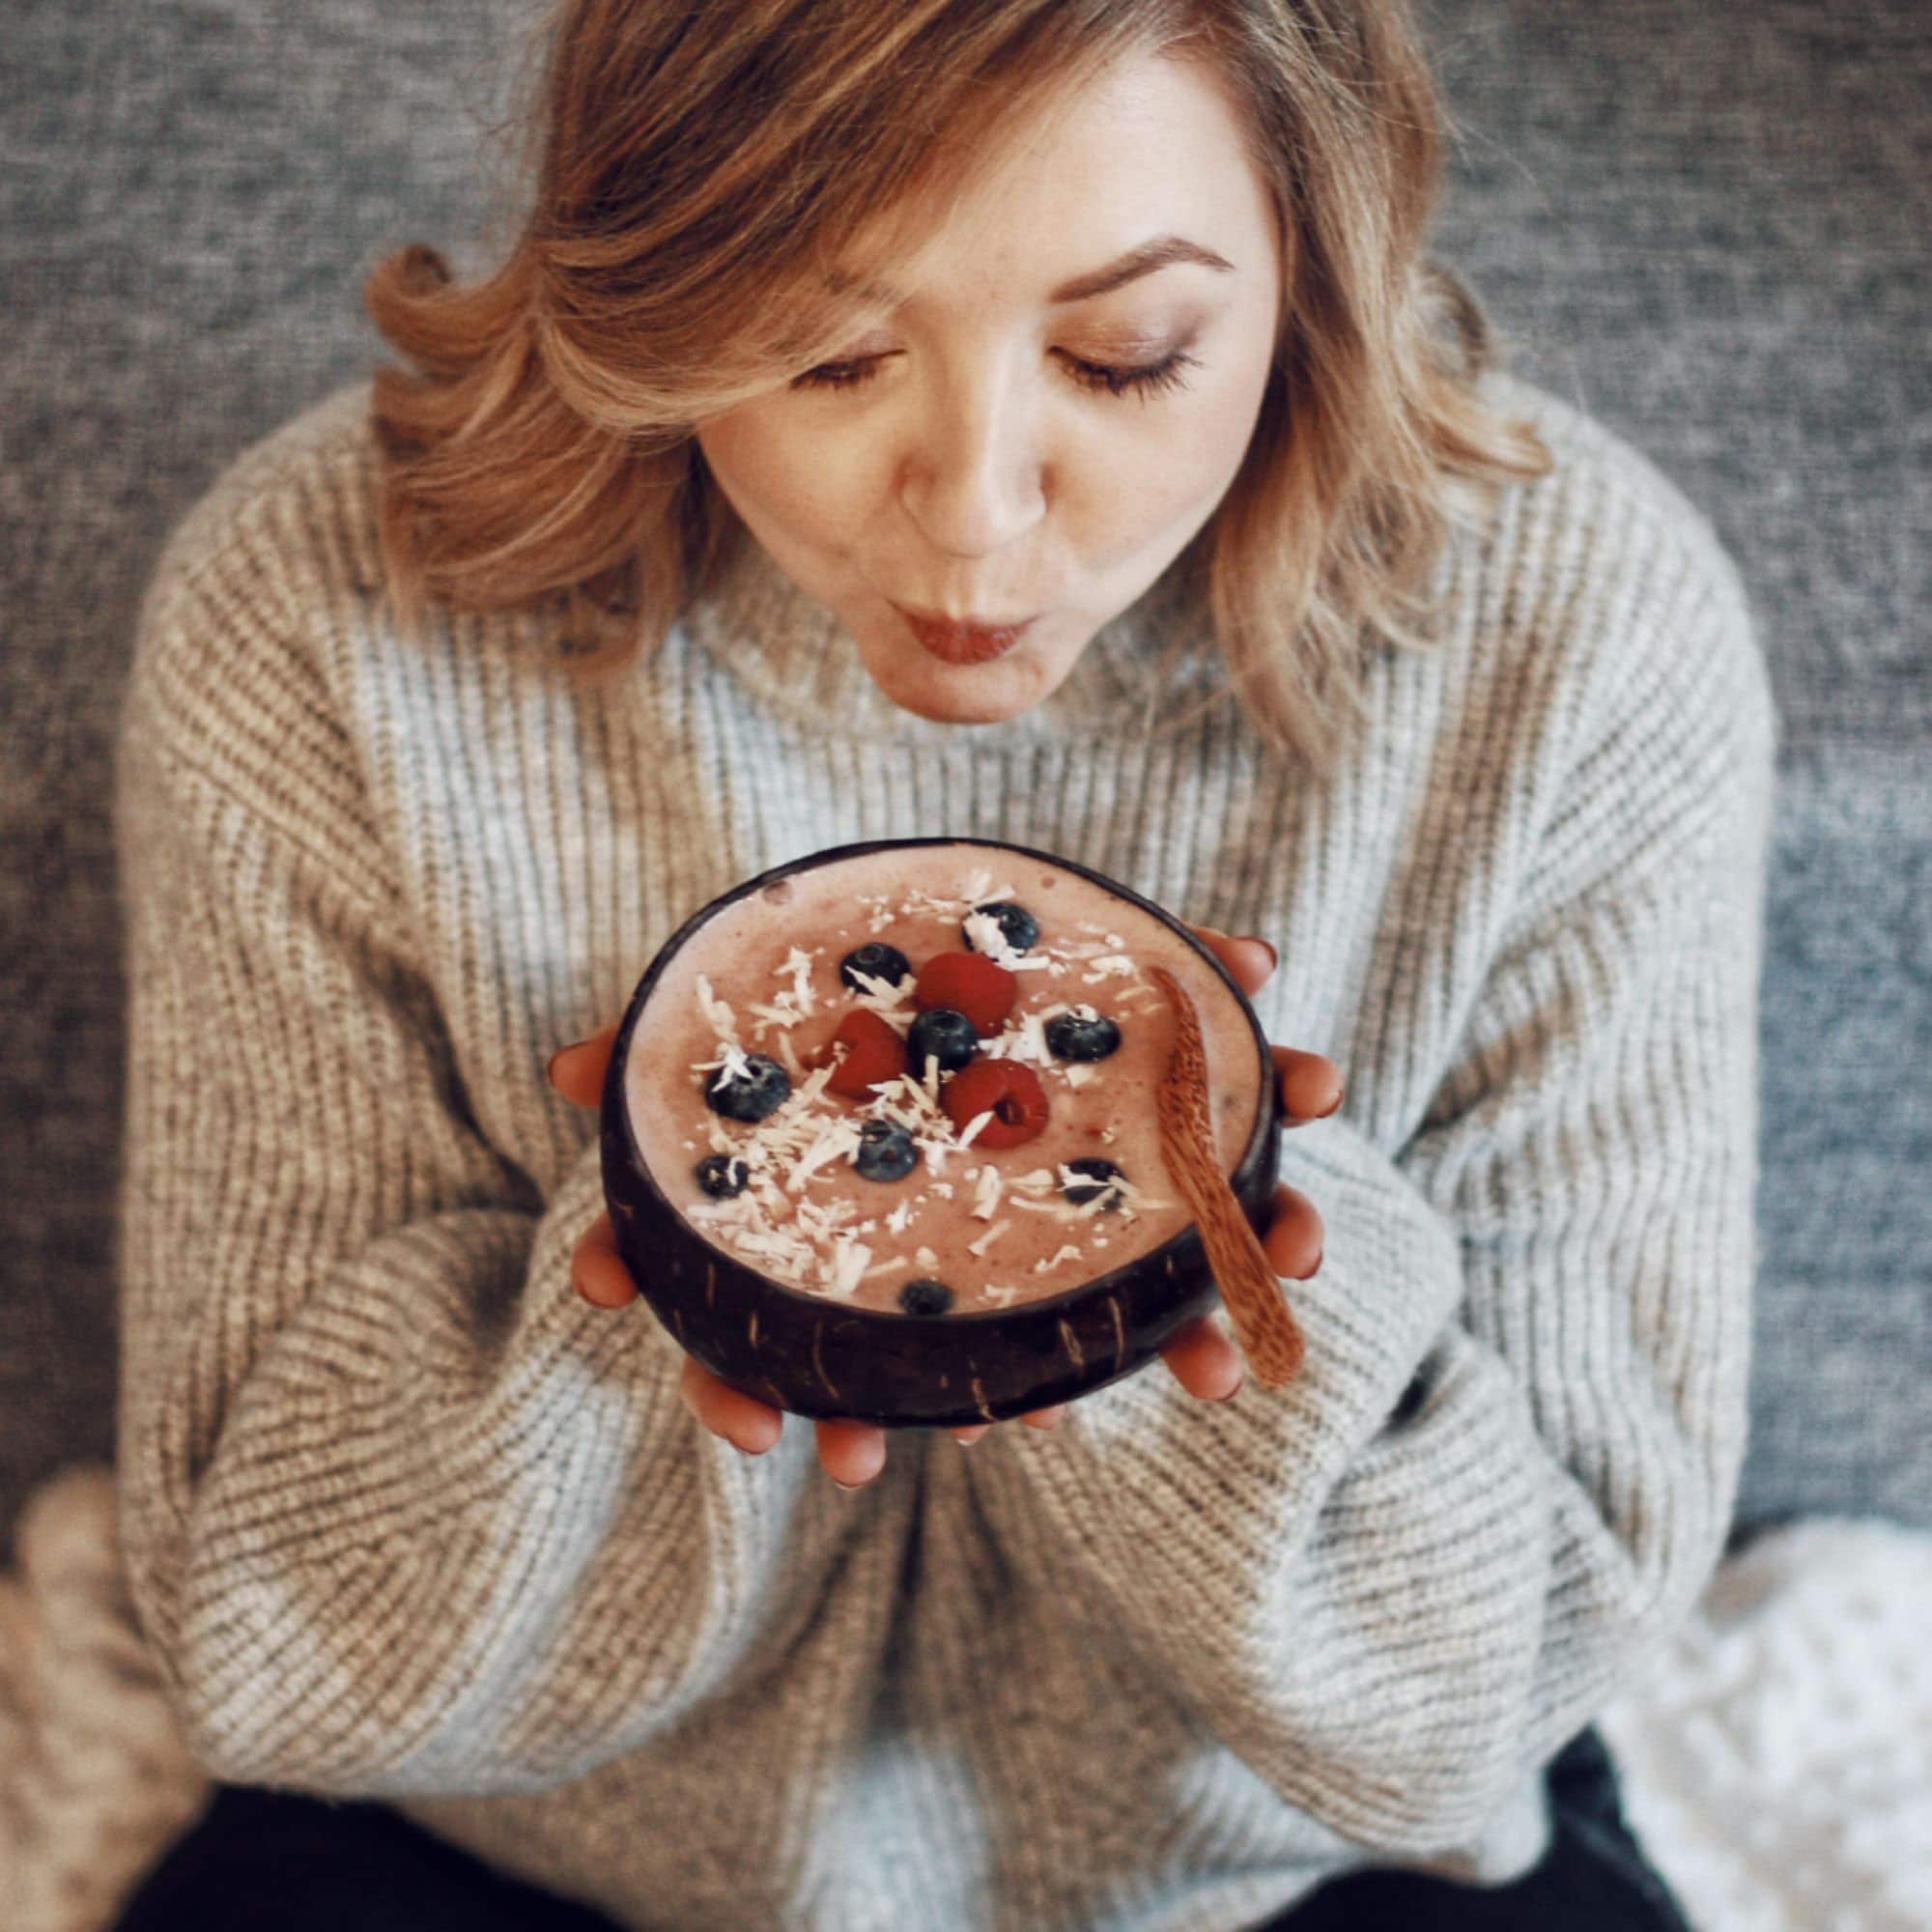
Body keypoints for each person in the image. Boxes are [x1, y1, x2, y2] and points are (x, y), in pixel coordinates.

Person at [109, 0, 1776, 1927]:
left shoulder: (1578, 641)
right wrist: (702, 1268)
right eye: (825, 348)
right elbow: (262, 1629)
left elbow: (1517, 1671)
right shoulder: (319, 606)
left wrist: (1157, 1260)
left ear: (1311, 265)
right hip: (517, 1843)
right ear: (661, 268)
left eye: (1124, 354)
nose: (976, 512)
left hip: (1290, 1866)